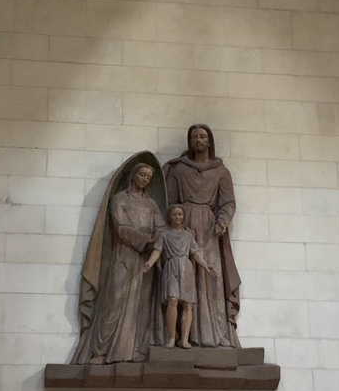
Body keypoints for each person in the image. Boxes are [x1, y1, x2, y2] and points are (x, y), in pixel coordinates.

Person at [71, 161, 165, 364]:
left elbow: (161, 226)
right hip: (124, 255)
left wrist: (157, 237)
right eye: (142, 175)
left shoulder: (151, 204)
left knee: (141, 306)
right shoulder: (120, 199)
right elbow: (121, 227)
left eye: (148, 177)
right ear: (134, 175)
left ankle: (134, 351)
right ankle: (100, 351)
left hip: (146, 260)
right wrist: (145, 239)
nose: (145, 179)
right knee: (115, 301)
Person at [164, 124, 241, 348]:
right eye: (195, 136)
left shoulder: (221, 172)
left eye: (203, 136)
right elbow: (169, 201)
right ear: (190, 141)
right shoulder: (179, 170)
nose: (199, 140)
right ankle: (182, 336)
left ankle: (215, 333)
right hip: (183, 224)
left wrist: (222, 221)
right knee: (182, 277)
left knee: (211, 274)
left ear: (209, 141)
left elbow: (228, 202)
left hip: (209, 227)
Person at [143, 204, 215, 349]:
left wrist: (206, 265)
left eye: (180, 215)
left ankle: (184, 339)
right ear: (170, 217)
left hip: (186, 268)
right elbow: (157, 251)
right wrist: (150, 263)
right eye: (175, 214)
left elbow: (196, 253)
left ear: (183, 217)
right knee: (173, 300)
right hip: (171, 267)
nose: (177, 217)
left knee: (188, 304)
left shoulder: (188, 235)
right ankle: (171, 338)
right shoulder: (164, 234)